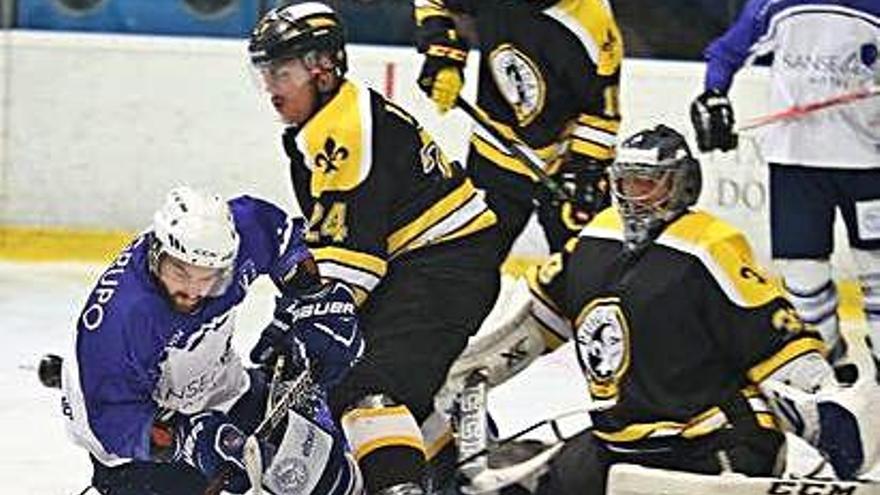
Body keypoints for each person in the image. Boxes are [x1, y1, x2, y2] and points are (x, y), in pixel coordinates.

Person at [512, 125, 879, 493]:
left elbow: (777, 340)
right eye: (625, 183)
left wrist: (828, 411)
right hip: (621, 440)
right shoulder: (596, 238)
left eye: (647, 184)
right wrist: (468, 367)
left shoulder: (709, 246)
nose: (632, 197)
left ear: (681, 185)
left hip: (712, 439)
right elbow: (532, 321)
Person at [247, 3, 502, 494]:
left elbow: (354, 267)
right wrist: (297, 315)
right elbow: (337, 240)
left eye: (282, 72)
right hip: (430, 264)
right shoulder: (333, 119)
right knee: (384, 377)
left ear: (322, 68)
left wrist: (306, 321)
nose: (273, 88)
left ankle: (399, 486)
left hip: (444, 269)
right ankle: (462, 469)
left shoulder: (345, 133)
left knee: (363, 382)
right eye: (265, 74)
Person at [60, 185, 365, 495]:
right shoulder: (122, 320)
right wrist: (186, 440)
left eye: (209, 276)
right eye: (179, 272)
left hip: (223, 391)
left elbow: (286, 245)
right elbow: (112, 420)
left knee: (326, 481)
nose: (193, 290)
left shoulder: (247, 228)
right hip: (139, 452)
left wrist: (317, 301)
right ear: (157, 252)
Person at [689, 0, 880, 364]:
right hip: (795, 163)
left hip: (870, 161)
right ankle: (829, 365)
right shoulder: (776, 3)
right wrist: (714, 93)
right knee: (802, 279)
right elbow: (727, 51)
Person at [413, 0, 624, 255]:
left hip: (565, 167)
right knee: (468, 268)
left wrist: (585, 171)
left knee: (586, 270)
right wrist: (443, 51)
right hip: (497, 152)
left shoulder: (590, 20)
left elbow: (600, 112)